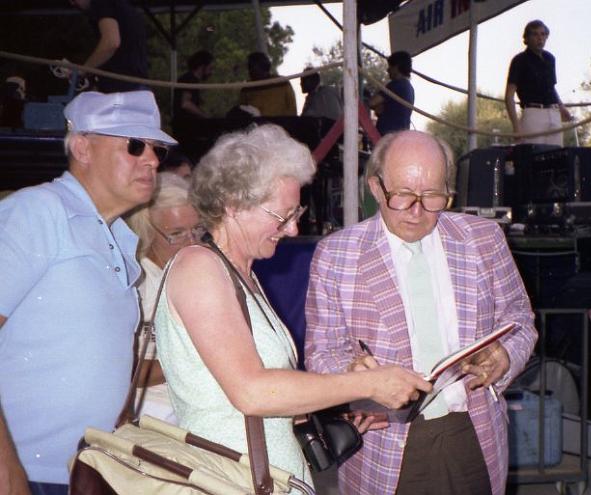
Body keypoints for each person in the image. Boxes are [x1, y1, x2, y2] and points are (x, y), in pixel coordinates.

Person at [153, 124, 431, 490]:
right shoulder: (199, 268)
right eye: (282, 216)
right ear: (233, 205)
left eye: (295, 213)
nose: (293, 230)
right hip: (230, 481)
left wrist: (339, 403)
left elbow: (261, 397)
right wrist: (366, 383)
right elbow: (251, 391)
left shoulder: (240, 275)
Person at [304, 130, 536, 495]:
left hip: (472, 430)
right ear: (376, 188)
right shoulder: (336, 256)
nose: (417, 211)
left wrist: (505, 356)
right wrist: (353, 374)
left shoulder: (484, 239)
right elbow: (321, 353)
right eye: (403, 195)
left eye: (432, 196)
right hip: (383, 442)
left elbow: (520, 318)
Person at [0, 90, 175, 495]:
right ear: (82, 148)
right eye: (135, 145)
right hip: (30, 470)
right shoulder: (37, 213)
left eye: (157, 149)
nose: (151, 159)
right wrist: (6, 467)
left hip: (89, 469)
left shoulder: (117, 237)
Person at [126, 172, 203, 424]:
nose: (191, 242)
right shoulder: (135, 283)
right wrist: (197, 364)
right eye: (177, 233)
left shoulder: (196, 271)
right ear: (146, 232)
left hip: (193, 406)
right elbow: (125, 372)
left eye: (197, 230)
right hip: (153, 413)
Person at [505, 20, 572, 146]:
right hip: (533, 113)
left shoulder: (550, 58)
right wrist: (516, 126)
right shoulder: (519, 60)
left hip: (554, 112)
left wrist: (561, 107)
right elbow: (509, 95)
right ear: (527, 38)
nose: (540, 38)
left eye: (543, 34)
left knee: (556, 154)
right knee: (534, 154)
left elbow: (551, 87)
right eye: (535, 34)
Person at [70, 0, 148, 93]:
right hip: (135, 87)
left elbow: (111, 42)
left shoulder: (102, 3)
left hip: (122, 91)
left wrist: (82, 70)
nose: (72, 3)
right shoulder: (122, 8)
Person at [369, 51, 414, 136]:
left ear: (396, 67)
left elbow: (371, 102)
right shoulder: (409, 88)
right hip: (400, 136)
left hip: (387, 136)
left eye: (390, 66)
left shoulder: (396, 84)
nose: (388, 70)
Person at [240, 52, 297, 117]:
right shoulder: (247, 88)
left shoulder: (281, 82)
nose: (250, 70)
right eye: (249, 67)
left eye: (251, 66)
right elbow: (242, 112)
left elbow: (292, 109)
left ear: (263, 66)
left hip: (280, 122)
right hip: (255, 123)